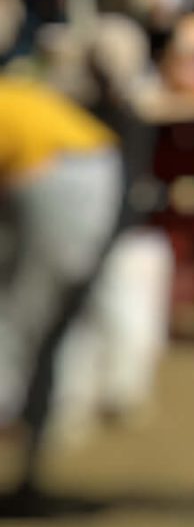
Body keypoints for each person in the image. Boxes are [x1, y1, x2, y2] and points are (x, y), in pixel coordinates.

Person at [0, 73, 124, 502]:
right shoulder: (15, 92)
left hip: (63, 177)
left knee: (22, 316)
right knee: (31, 316)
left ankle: (21, 420)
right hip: (91, 169)